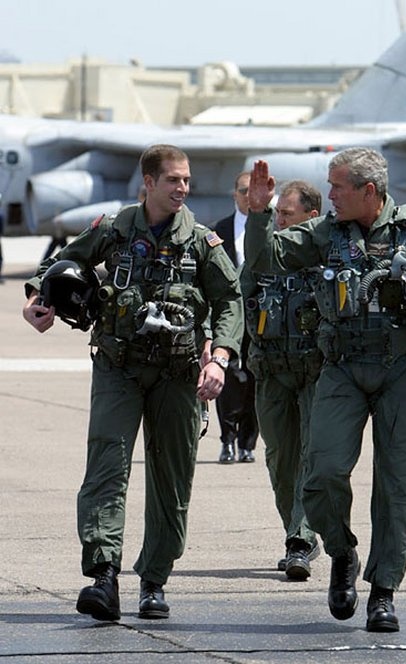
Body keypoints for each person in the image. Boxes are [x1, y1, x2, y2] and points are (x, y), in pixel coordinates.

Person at [244, 149, 406, 632]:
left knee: (399, 487)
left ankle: (383, 592)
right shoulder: (326, 233)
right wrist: (258, 214)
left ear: (369, 190)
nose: (331, 195)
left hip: (401, 371)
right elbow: (267, 259)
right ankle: (342, 554)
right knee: (320, 474)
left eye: (338, 186)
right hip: (340, 369)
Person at [23, 144, 243, 622]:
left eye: (186, 180)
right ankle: (103, 577)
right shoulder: (115, 230)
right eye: (173, 180)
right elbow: (61, 264)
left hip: (180, 374)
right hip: (118, 368)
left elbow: (230, 302)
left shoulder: (202, 243)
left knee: (172, 477)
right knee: (107, 466)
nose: (183, 188)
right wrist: (38, 301)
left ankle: (154, 582)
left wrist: (220, 358)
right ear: (148, 182)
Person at [240, 180, 323, 580]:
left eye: (286, 214)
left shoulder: (327, 255)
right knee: (279, 460)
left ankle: (300, 540)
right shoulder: (262, 256)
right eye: (277, 214)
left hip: (315, 374)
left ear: (312, 216)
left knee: (312, 456)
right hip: (271, 373)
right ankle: (298, 531)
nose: (279, 220)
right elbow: (239, 301)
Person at [209, 171, 259, 463]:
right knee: (227, 377)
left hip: (260, 315)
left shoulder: (271, 230)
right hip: (228, 314)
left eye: (253, 191)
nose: (248, 197)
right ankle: (227, 440)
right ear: (234, 195)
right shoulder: (220, 230)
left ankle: (247, 443)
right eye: (243, 191)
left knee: (254, 379)